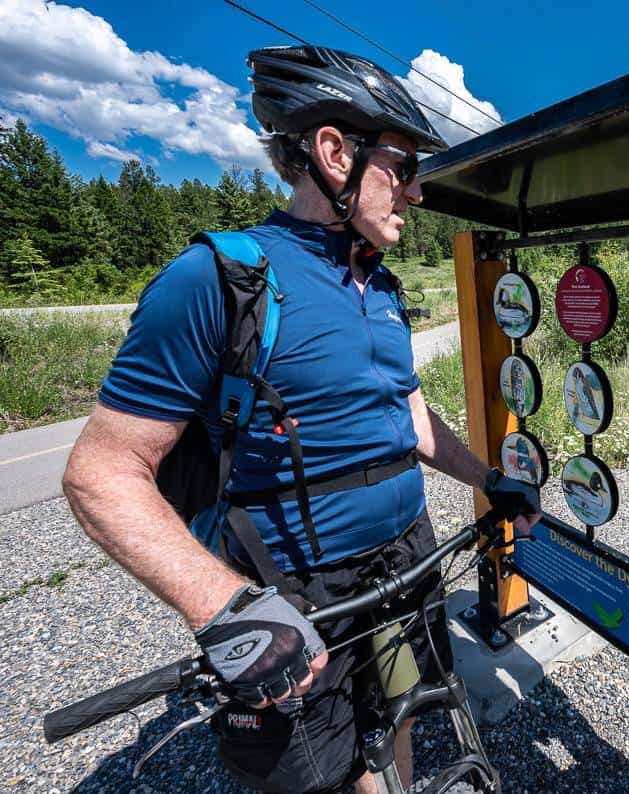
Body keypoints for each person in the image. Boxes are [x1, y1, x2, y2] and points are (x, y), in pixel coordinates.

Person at [61, 44, 539, 793]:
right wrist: (225, 608)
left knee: (403, 713)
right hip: (298, 594)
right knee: (326, 771)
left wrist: (489, 482)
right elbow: (100, 472)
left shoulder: (378, 287)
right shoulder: (218, 280)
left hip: (404, 569)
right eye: (404, 167)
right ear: (334, 153)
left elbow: (405, 416)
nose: (416, 194)